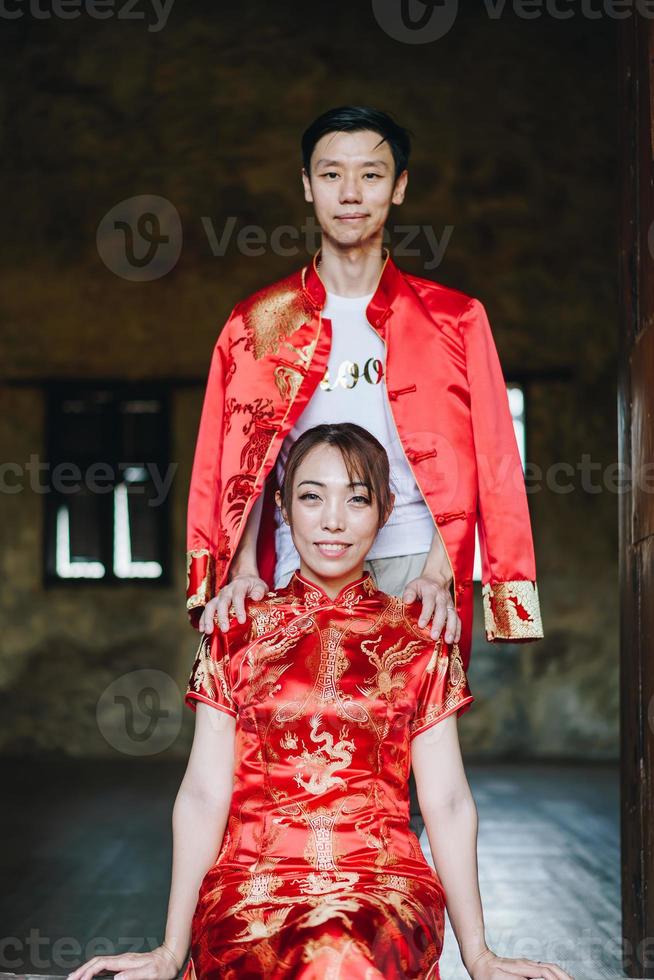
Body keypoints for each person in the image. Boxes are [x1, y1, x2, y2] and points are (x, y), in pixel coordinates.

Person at [68, 424, 572, 980]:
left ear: (385, 512)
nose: (334, 520)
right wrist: (169, 950)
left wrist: (480, 956)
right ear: (281, 507)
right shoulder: (236, 632)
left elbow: (448, 801)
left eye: (357, 498)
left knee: (339, 949)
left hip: (384, 882)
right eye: (312, 496)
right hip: (252, 878)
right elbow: (204, 794)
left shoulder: (420, 637)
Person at [186, 105, 543, 677]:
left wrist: (438, 574)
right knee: (301, 746)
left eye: (371, 175)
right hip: (298, 558)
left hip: (412, 561)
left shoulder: (454, 320)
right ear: (307, 185)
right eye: (331, 174)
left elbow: (488, 459)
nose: (350, 192)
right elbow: (237, 461)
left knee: (407, 746)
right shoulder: (257, 324)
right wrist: (244, 569)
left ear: (399, 187)